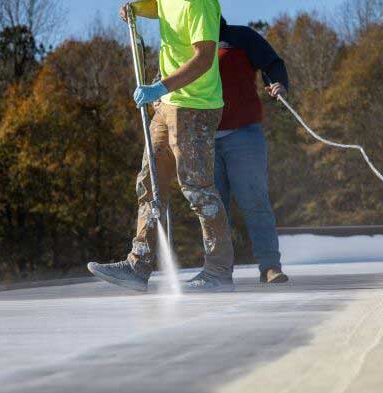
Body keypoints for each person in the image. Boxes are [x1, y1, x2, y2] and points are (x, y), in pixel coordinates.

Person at [88, 0, 235, 292]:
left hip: (195, 105)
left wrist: (160, 87)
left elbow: (205, 57)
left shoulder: (200, 3)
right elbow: (158, 6)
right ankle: (138, 265)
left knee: (197, 188)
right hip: (168, 103)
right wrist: (137, 9)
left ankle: (219, 271)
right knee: (149, 181)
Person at [216, 16, 289, 283]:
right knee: (213, 209)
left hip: (243, 133)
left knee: (255, 201)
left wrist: (279, 82)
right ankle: (219, 270)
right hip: (202, 139)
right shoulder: (184, 43)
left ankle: (269, 266)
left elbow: (272, 63)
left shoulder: (241, 37)